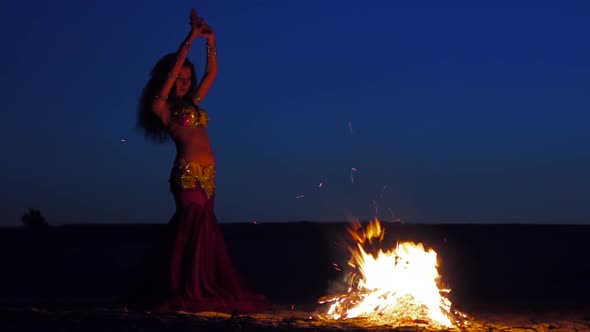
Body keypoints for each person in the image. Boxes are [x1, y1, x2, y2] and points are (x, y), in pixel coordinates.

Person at [120, 8, 269, 314]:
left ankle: (194, 284)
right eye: (180, 79)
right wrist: (190, 38)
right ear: (170, 80)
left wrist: (211, 42)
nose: (184, 84)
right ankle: (187, 289)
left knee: (205, 234)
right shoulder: (162, 108)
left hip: (210, 175)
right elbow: (173, 70)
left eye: (188, 79)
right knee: (193, 229)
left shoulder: (194, 103)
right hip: (187, 175)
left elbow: (212, 73)